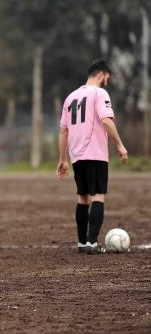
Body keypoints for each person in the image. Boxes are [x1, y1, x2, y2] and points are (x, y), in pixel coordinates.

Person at [57, 59, 128, 254]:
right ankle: (92, 243)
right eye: (107, 78)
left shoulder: (70, 97)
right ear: (101, 75)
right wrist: (119, 145)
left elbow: (63, 131)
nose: (107, 82)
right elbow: (106, 121)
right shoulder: (100, 93)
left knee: (83, 197)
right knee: (98, 195)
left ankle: (82, 243)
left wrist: (63, 160)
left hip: (76, 155)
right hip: (95, 153)